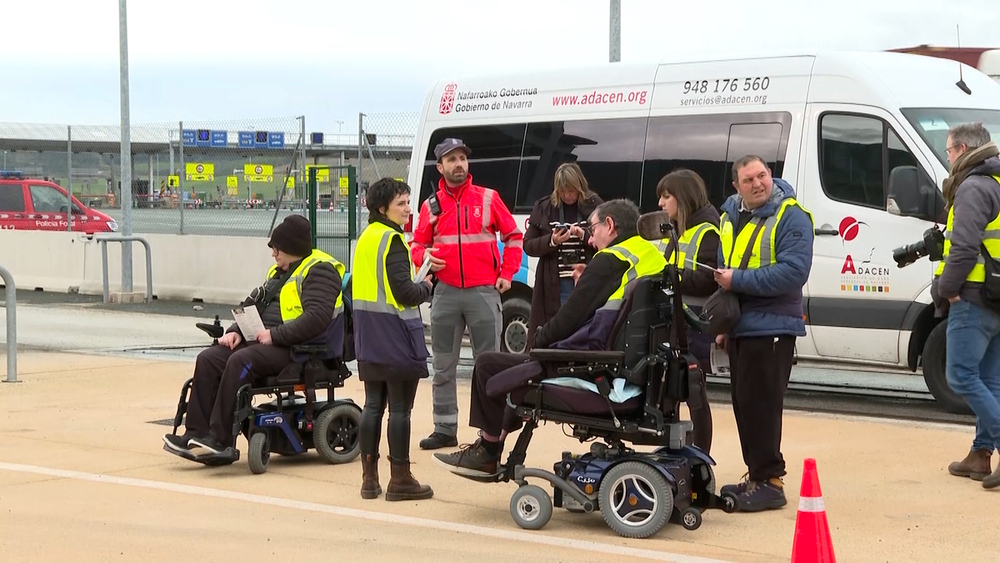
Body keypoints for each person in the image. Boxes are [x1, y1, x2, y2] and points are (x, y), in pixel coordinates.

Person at [433, 199, 666, 476]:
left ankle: (488, 450)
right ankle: (493, 442)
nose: (590, 239)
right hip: (632, 366)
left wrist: (540, 342)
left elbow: (570, 318)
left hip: (596, 365)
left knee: (487, 365)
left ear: (610, 225)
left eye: (592, 229)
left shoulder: (610, 259)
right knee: (511, 368)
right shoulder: (652, 254)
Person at [162, 215, 344, 464]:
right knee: (209, 358)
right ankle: (195, 433)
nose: (273, 254)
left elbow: (316, 319)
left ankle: (221, 440)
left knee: (240, 360)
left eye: (276, 248)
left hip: (298, 349)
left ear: (291, 247)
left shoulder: (321, 270)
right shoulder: (279, 272)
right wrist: (235, 330)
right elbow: (254, 305)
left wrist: (275, 335)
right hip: (266, 342)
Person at [409, 138, 524, 450]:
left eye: (462, 158)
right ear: (440, 167)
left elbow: (514, 236)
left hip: (484, 293)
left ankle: (492, 429)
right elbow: (416, 245)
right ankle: (444, 428)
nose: (459, 164)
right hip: (445, 294)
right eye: (452, 159)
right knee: (443, 365)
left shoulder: (487, 198)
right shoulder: (431, 206)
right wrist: (424, 257)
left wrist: (507, 273)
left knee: (489, 365)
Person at [714, 155, 814, 512]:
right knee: (745, 404)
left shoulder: (792, 216)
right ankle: (757, 476)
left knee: (762, 405)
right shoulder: (730, 217)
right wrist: (727, 326)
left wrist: (737, 281)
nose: (758, 183)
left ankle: (770, 482)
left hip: (772, 326)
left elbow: (793, 272)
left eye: (763, 175)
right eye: (749, 179)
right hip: (744, 325)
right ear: (736, 187)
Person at [353, 178, 435, 501]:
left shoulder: (365, 239)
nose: (407, 209)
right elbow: (405, 292)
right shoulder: (394, 241)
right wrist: (427, 284)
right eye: (401, 203)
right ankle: (400, 479)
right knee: (399, 408)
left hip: (368, 334)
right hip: (396, 333)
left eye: (407, 202)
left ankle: (369, 480)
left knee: (373, 404)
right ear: (382, 208)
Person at [930, 122, 1000, 488]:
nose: (948, 158)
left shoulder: (973, 187)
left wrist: (947, 287)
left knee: (960, 375)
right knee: (990, 379)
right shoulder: (998, 182)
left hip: (973, 295)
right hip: (996, 297)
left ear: (962, 149)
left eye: (948, 151)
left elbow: (964, 247)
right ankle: (980, 455)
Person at [655, 169, 720, 454]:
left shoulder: (708, 231)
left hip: (694, 322)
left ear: (683, 198)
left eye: (666, 196)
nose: (660, 203)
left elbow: (709, 279)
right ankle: (677, 452)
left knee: (695, 394)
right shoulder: (676, 230)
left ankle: (699, 456)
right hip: (676, 320)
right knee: (671, 392)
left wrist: (673, 276)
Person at [523, 162, 603, 348]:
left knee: (583, 329)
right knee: (556, 330)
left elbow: (610, 242)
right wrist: (552, 241)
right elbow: (528, 245)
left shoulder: (596, 206)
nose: (567, 196)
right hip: (554, 284)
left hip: (586, 279)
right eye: (563, 191)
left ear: (580, 187)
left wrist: (583, 235)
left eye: (572, 191)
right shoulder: (544, 207)